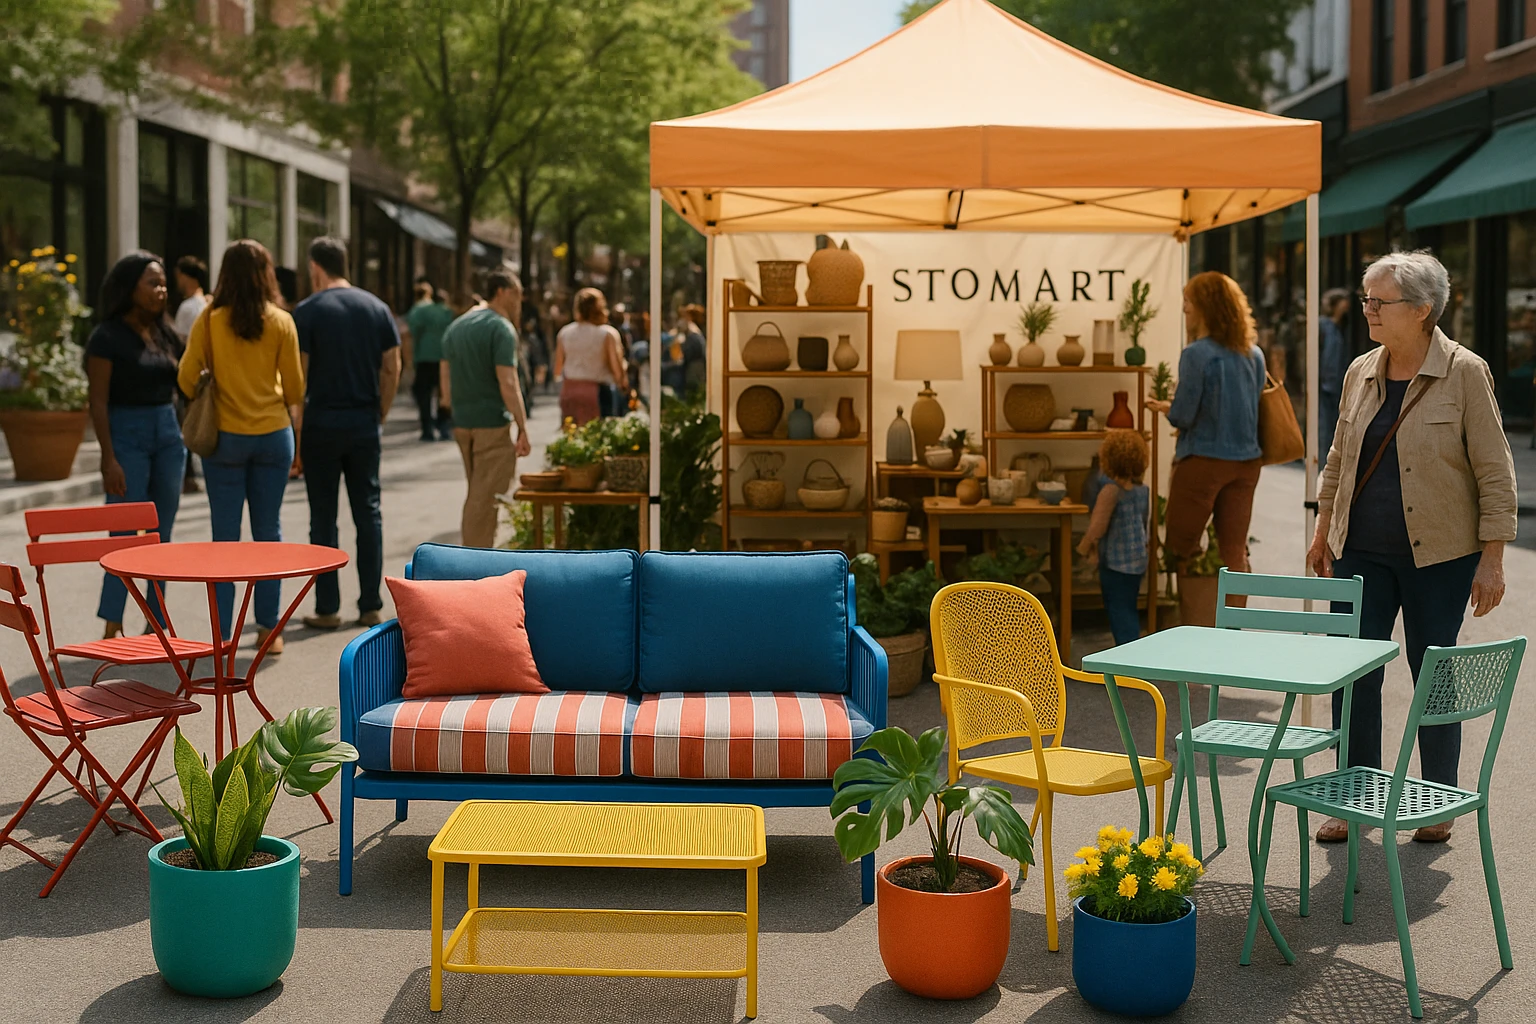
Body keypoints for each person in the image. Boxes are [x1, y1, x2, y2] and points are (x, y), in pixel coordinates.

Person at [1308, 250, 1515, 844]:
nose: (1366, 309)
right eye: (1366, 298)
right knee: (1354, 676)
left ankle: (1440, 798)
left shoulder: (1466, 372)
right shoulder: (1359, 371)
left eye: (1379, 301)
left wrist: (1492, 558)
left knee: (1434, 674)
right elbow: (1340, 457)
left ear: (1422, 310)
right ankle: (1353, 795)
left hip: (1441, 556)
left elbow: (1495, 471)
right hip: (1360, 553)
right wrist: (1325, 529)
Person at [178, 239, 304, 652]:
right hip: (273, 436)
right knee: (268, 534)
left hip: (225, 441)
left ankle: (224, 635)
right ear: (267, 273)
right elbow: (295, 389)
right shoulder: (282, 321)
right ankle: (270, 629)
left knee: (224, 538)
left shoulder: (210, 319)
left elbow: (184, 377)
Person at [291, 236, 402, 631]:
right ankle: (370, 604)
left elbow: (298, 378)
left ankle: (327, 607)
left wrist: (296, 433)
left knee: (323, 518)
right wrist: (380, 412)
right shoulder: (377, 308)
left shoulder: (306, 311)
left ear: (316, 268)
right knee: (368, 512)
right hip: (362, 423)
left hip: (321, 423)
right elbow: (392, 366)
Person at [85, 252, 186, 638]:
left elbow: (182, 385)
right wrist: (107, 458)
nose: (161, 290)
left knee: (162, 533)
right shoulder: (106, 336)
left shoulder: (166, 333)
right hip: (126, 434)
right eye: (152, 283)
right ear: (130, 287)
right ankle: (112, 620)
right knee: (124, 533)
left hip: (168, 436)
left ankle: (156, 619)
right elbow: (97, 401)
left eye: (163, 283)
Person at [1146, 271, 1266, 575]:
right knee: (1235, 553)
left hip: (1203, 461)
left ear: (1204, 307)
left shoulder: (1196, 354)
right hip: (1247, 462)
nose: (1184, 308)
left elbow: (1183, 415)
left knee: (1180, 550)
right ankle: (1234, 621)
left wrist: (1167, 408)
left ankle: (1191, 619)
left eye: (1189, 301)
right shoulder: (1254, 354)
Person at [440, 270, 532, 548]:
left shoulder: (457, 326)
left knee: (478, 493)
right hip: (492, 424)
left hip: (463, 422)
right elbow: (508, 381)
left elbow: (444, 375)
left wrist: (449, 406)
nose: (520, 301)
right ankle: (476, 565)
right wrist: (522, 426)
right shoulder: (501, 328)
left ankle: (477, 557)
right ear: (501, 291)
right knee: (484, 502)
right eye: (517, 294)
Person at [1076, 430, 1151, 647]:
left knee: (1118, 609)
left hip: (1115, 563)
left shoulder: (1110, 491)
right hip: (1137, 560)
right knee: (1129, 605)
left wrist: (1083, 548)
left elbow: (1097, 527)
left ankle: (1127, 659)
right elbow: (1144, 522)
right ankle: (1132, 651)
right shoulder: (1142, 491)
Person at [554, 288, 626, 425]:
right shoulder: (607, 334)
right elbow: (618, 372)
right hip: (598, 393)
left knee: (572, 440)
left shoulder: (564, 333)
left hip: (570, 391)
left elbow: (557, 370)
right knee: (599, 439)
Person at [172, 255, 210, 494]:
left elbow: (181, 344)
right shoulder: (207, 305)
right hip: (208, 375)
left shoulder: (188, 308)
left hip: (190, 373)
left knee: (186, 424)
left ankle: (187, 475)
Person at [405, 281, 454, 441]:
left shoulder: (418, 310)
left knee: (424, 395)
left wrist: (409, 360)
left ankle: (427, 429)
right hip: (444, 356)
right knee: (444, 393)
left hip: (425, 357)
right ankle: (444, 425)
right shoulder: (445, 311)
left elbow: (410, 335)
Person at [1318, 288, 1353, 469]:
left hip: (1336, 383)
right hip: (1323, 384)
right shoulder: (1323, 326)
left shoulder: (1341, 328)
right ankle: (1322, 463)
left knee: (1334, 424)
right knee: (1323, 426)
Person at [171, 255, 209, 342]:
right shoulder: (206, 303)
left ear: (185, 277)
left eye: (178, 276)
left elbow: (180, 342)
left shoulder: (187, 307)